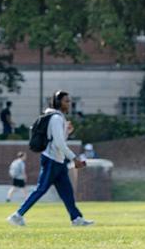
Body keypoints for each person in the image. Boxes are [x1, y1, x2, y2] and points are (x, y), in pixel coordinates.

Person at [6, 90, 93, 227]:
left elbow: (57, 140)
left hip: (58, 160)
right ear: (58, 102)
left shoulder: (57, 118)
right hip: (52, 160)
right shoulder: (56, 118)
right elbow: (59, 143)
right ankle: (17, 215)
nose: (69, 104)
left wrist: (67, 132)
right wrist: (74, 158)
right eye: (67, 101)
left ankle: (76, 219)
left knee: (67, 192)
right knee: (41, 189)